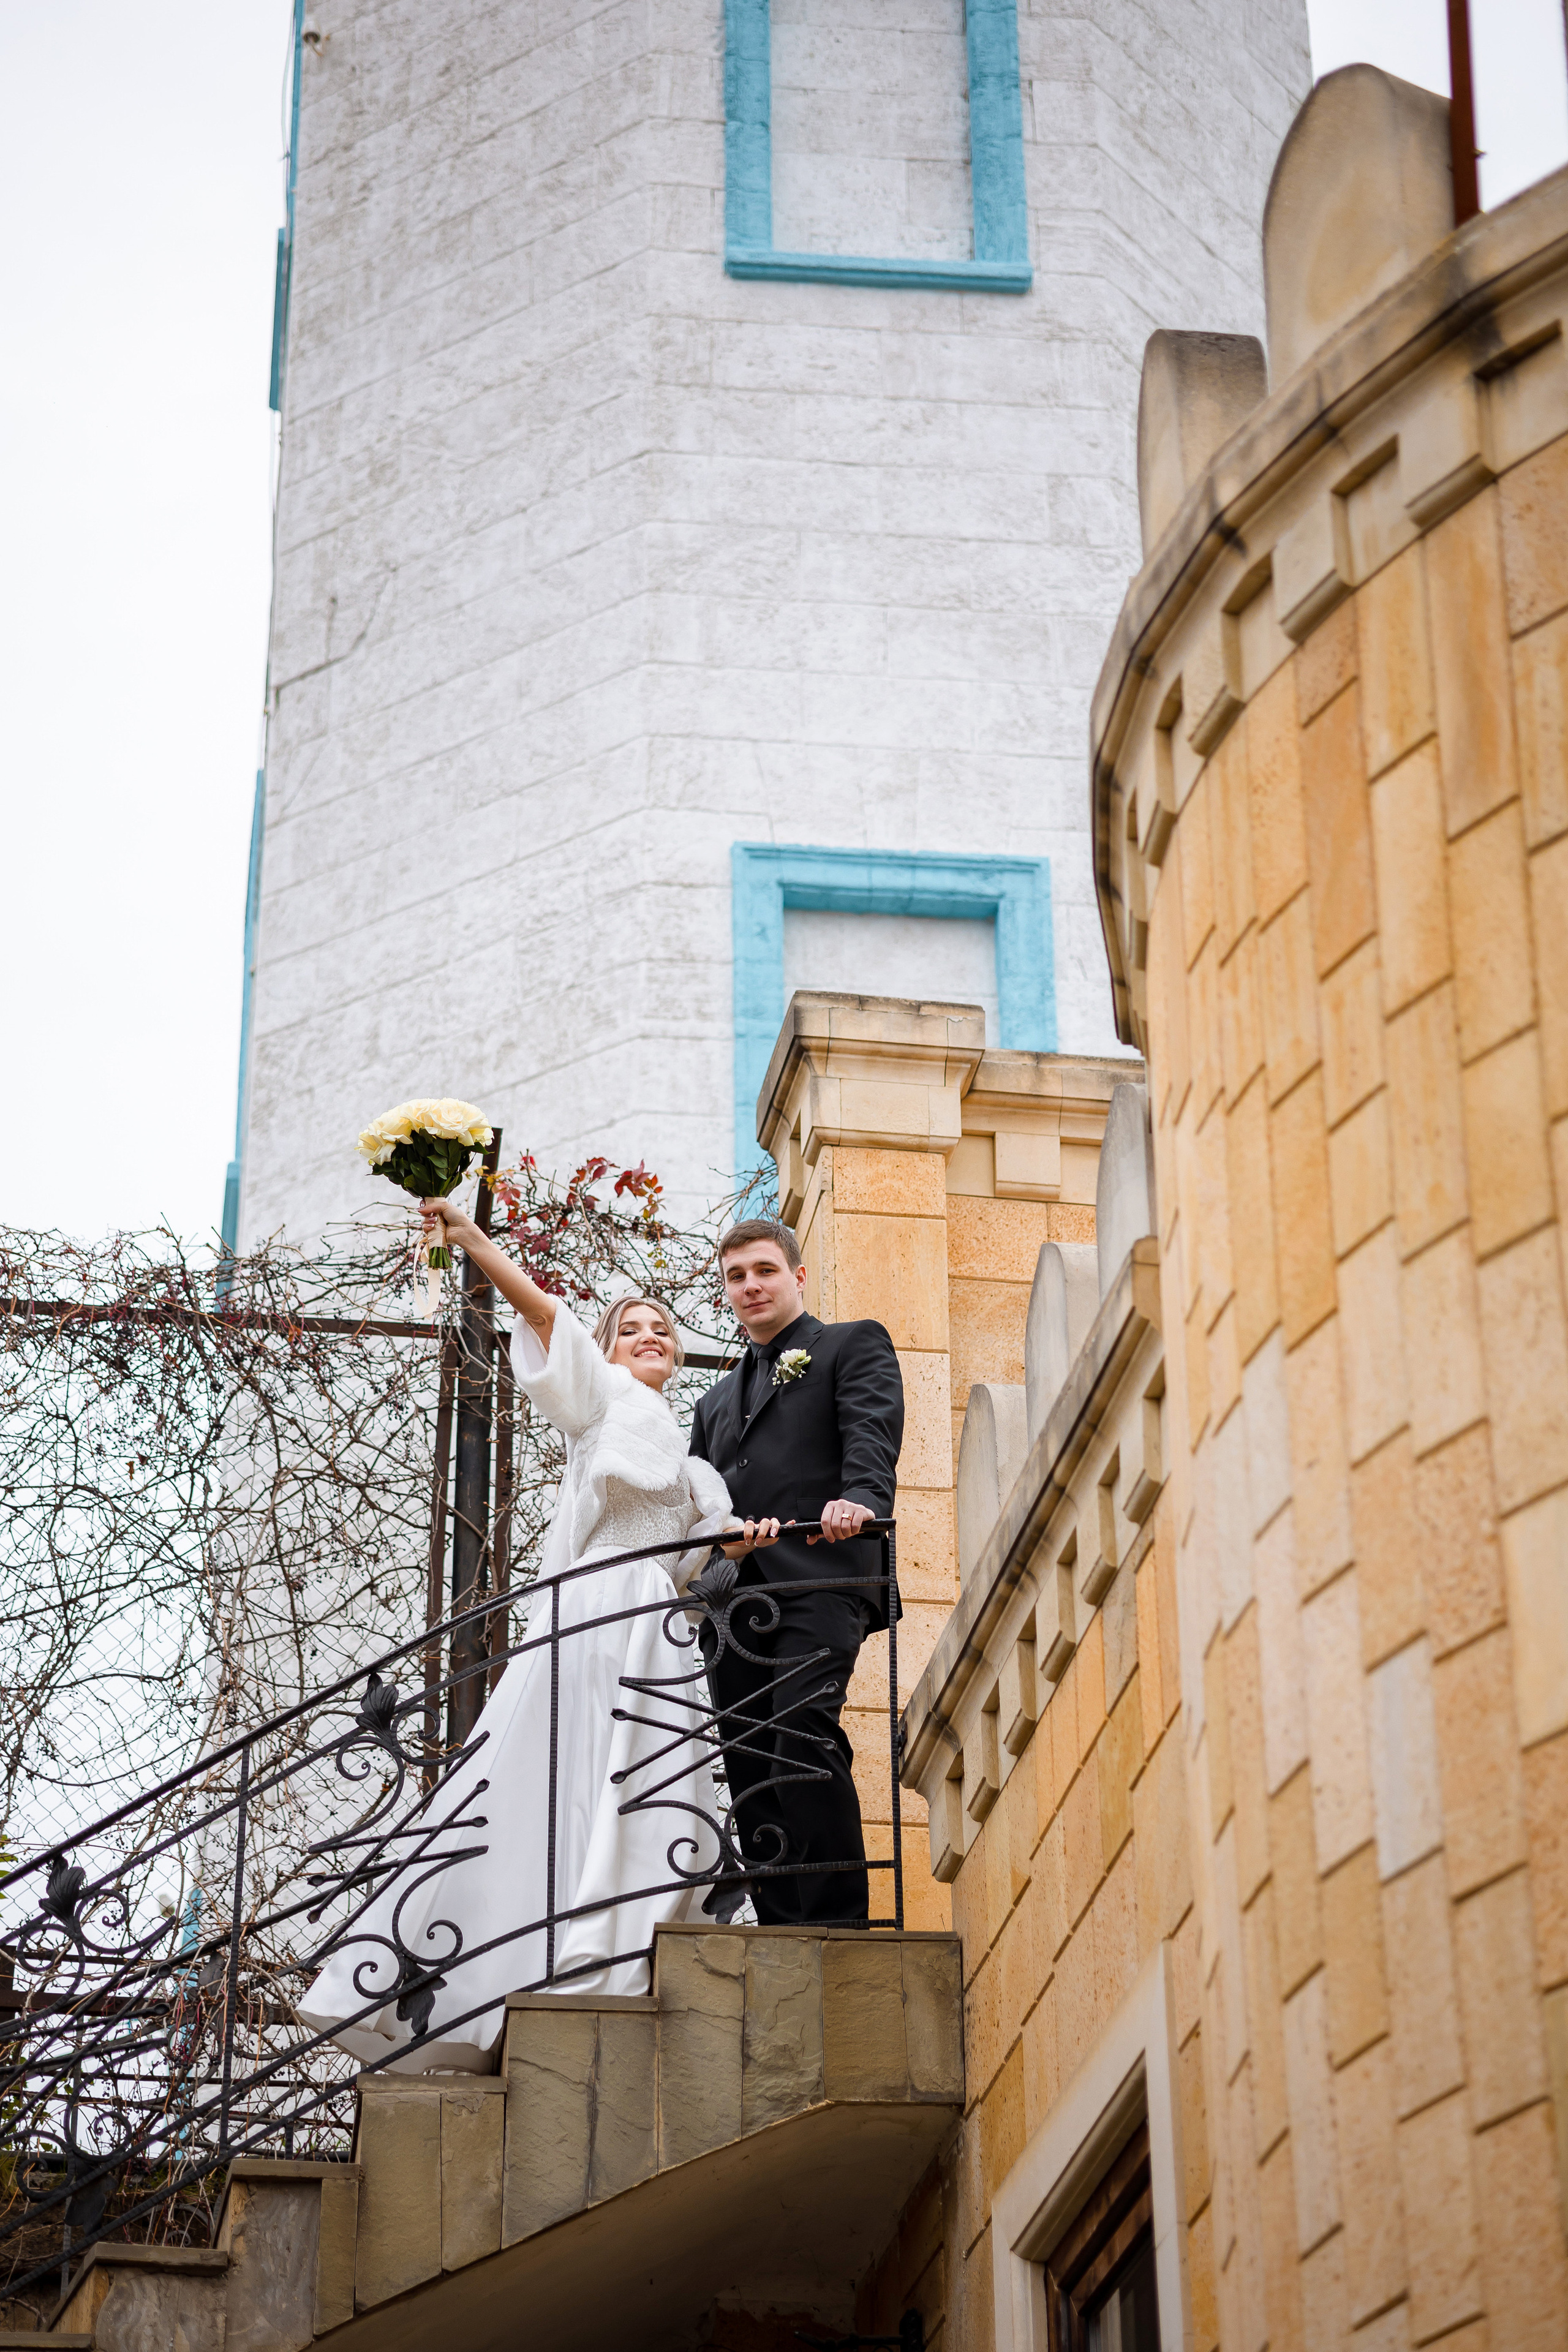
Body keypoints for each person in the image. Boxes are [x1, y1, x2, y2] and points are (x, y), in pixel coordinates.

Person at [300, 1197, 778, 2072]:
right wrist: (474, 1241)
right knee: (569, 1772)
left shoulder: (695, 1464)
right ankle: (541, 1952)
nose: (648, 1336)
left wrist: (733, 1545)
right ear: (606, 1351)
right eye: (629, 1329)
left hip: (655, 1622)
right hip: (597, 1608)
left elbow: (695, 1564)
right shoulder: (603, 1402)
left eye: (661, 1329)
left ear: (678, 1353)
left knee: (644, 1776)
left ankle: (616, 1940)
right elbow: (546, 1314)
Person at [688, 1218, 903, 1926]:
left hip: (819, 1574)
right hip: (734, 1604)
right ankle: (781, 1926)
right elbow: (703, 1507)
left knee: (800, 1732)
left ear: (798, 1276)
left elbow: (870, 1433)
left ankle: (838, 1925)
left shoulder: (850, 1343)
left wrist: (862, 1501)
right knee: (749, 1761)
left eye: (764, 1270)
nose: (750, 1286)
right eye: (736, 1277)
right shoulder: (712, 1404)